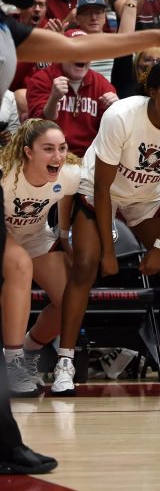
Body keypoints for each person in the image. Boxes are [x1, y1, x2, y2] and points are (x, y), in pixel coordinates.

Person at [0, 0, 160, 475]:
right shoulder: (120, 119)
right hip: (90, 191)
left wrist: (154, 35)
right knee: (66, 266)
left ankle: (4, 433)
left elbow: (83, 45)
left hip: (140, 199)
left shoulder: (9, 31)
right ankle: (40, 380)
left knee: (96, 269)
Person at [52, 62, 160, 396]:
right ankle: (63, 363)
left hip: (148, 195)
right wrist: (109, 251)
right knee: (85, 264)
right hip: (99, 190)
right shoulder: (121, 116)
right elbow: (104, 189)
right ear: (151, 92)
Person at [0, 119, 79, 396]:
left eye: (62, 148)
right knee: (20, 264)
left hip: (35, 235)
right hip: (3, 232)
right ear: (28, 152)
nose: (57, 156)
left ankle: (30, 349)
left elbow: (68, 194)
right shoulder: (6, 175)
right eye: (48, 149)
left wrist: (65, 233)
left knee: (71, 297)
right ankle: (12, 362)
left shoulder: (68, 173)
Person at [26, 29, 119, 158]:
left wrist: (116, 110)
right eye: (75, 50)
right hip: (50, 155)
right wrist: (53, 99)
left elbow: (112, 134)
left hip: (89, 158)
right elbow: (37, 128)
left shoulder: (102, 85)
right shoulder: (42, 79)